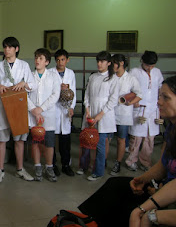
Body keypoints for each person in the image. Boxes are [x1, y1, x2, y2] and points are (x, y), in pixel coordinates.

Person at [78, 75, 176, 227]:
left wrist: (154, 197)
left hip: (173, 197)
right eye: (159, 96)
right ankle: (84, 221)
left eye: (166, 98)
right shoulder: (172, 128)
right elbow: (164, 165)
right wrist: (142, 179)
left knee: (126, 210)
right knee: (115, 186)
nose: (159, 102)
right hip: (164, 188)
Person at [0, 36, 37, 184]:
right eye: (5, 47)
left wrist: (24, 83)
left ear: (16, 49)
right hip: (3, 106)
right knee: (2, 139)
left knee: (19, 140)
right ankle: (0, 170)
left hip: (19, 107)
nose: (7, 50)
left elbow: (33, 84)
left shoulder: (24, 65)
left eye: (10, 47)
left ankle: (20, 169)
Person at [80, 51, 119, 181]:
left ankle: (99, 171)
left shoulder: (113, 78)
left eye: (102, 61)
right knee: (87, 141)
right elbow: (87, 95)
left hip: (104, 115)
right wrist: (88, 110)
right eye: (98, 61)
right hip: (91, 114)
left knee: (101, 145)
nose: (99, 64)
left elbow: (113, 100)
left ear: (109, 63)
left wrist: (100, 115)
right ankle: (84, 166)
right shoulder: (93, 77)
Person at [126, 51, 164, 172]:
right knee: (136, 138)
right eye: (148, 65)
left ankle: (145, 162)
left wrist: (160, 101)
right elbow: (127, 89)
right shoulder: (134, 72)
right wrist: (133, 101)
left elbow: (160, 88)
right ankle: (131, 161)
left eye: (152, 65)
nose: (150, 68)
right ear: (142, 61)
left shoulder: (157, 72)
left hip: (153, 108)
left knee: (150, 138)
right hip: (139, 108)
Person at [27, 48, 60, 182]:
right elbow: (25, 94)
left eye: (40, 58)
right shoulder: (29, 75)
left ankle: (49, 167)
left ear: (47, 62)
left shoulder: (53, 76)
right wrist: (33, 109)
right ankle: (37, 167)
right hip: (33, 114)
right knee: (35, 142)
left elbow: (55, 95)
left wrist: (41, 108)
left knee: (49, 143)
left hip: (48, 114)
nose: (37, 61)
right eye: (36, 58)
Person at [110, 54, 142, 176]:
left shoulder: (130, 79)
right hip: (109, 112)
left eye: (114, 63)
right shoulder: (110, 77)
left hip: (123, 113)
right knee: (107, 138)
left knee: (121, 139)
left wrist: (130, 103)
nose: (112, 65)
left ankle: (118, 162)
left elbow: (139, 94)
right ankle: (103, 161)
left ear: (121, 63)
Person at [50, 49, 77, 177]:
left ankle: (66, 165)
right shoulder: (50, 72)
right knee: (52, 141)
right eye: (58, 60)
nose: (61, 62)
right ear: (55, 61)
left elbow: (74, 92)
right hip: (54, 109)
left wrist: (71, 107)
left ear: (67, 60)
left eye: (63, 59)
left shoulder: (71, 73)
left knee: (65, 140)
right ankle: (53, 165)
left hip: (65, 110)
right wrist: (58, 88)